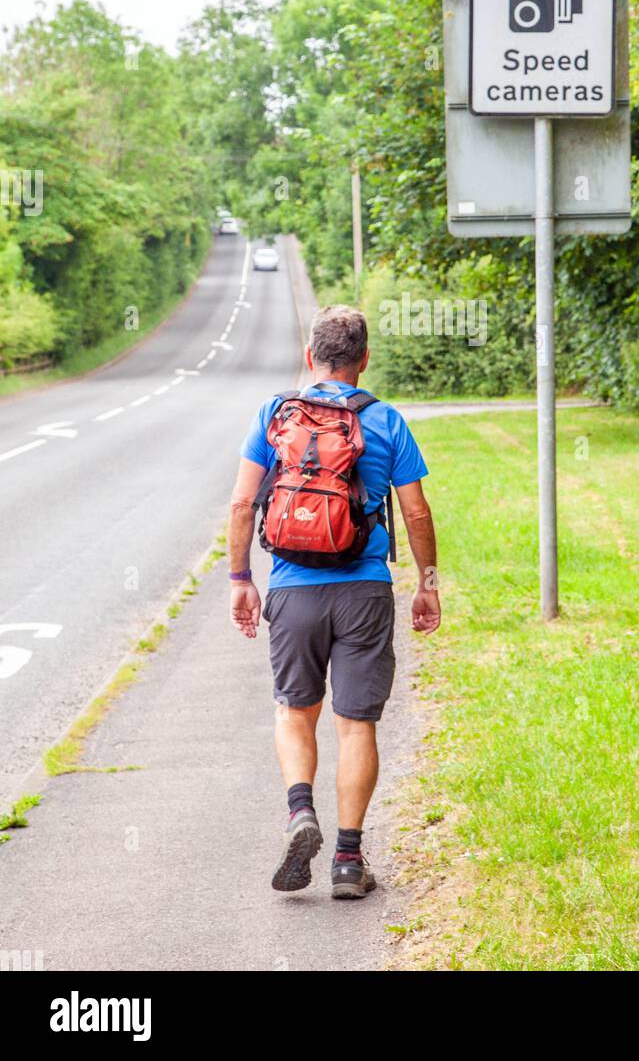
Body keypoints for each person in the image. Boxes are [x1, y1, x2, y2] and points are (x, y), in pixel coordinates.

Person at [227, 304, 440, 899]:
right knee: (356, 725)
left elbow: (243, 505)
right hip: (364, 589)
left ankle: (301, 813)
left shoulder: (275, 413)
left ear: (309, 356)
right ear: (364, 360)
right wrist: (428, 582)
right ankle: (348, 860)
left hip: (293, 589)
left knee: (295, 711)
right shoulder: (386, 420)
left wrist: (242, 577)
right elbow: (416, 511)